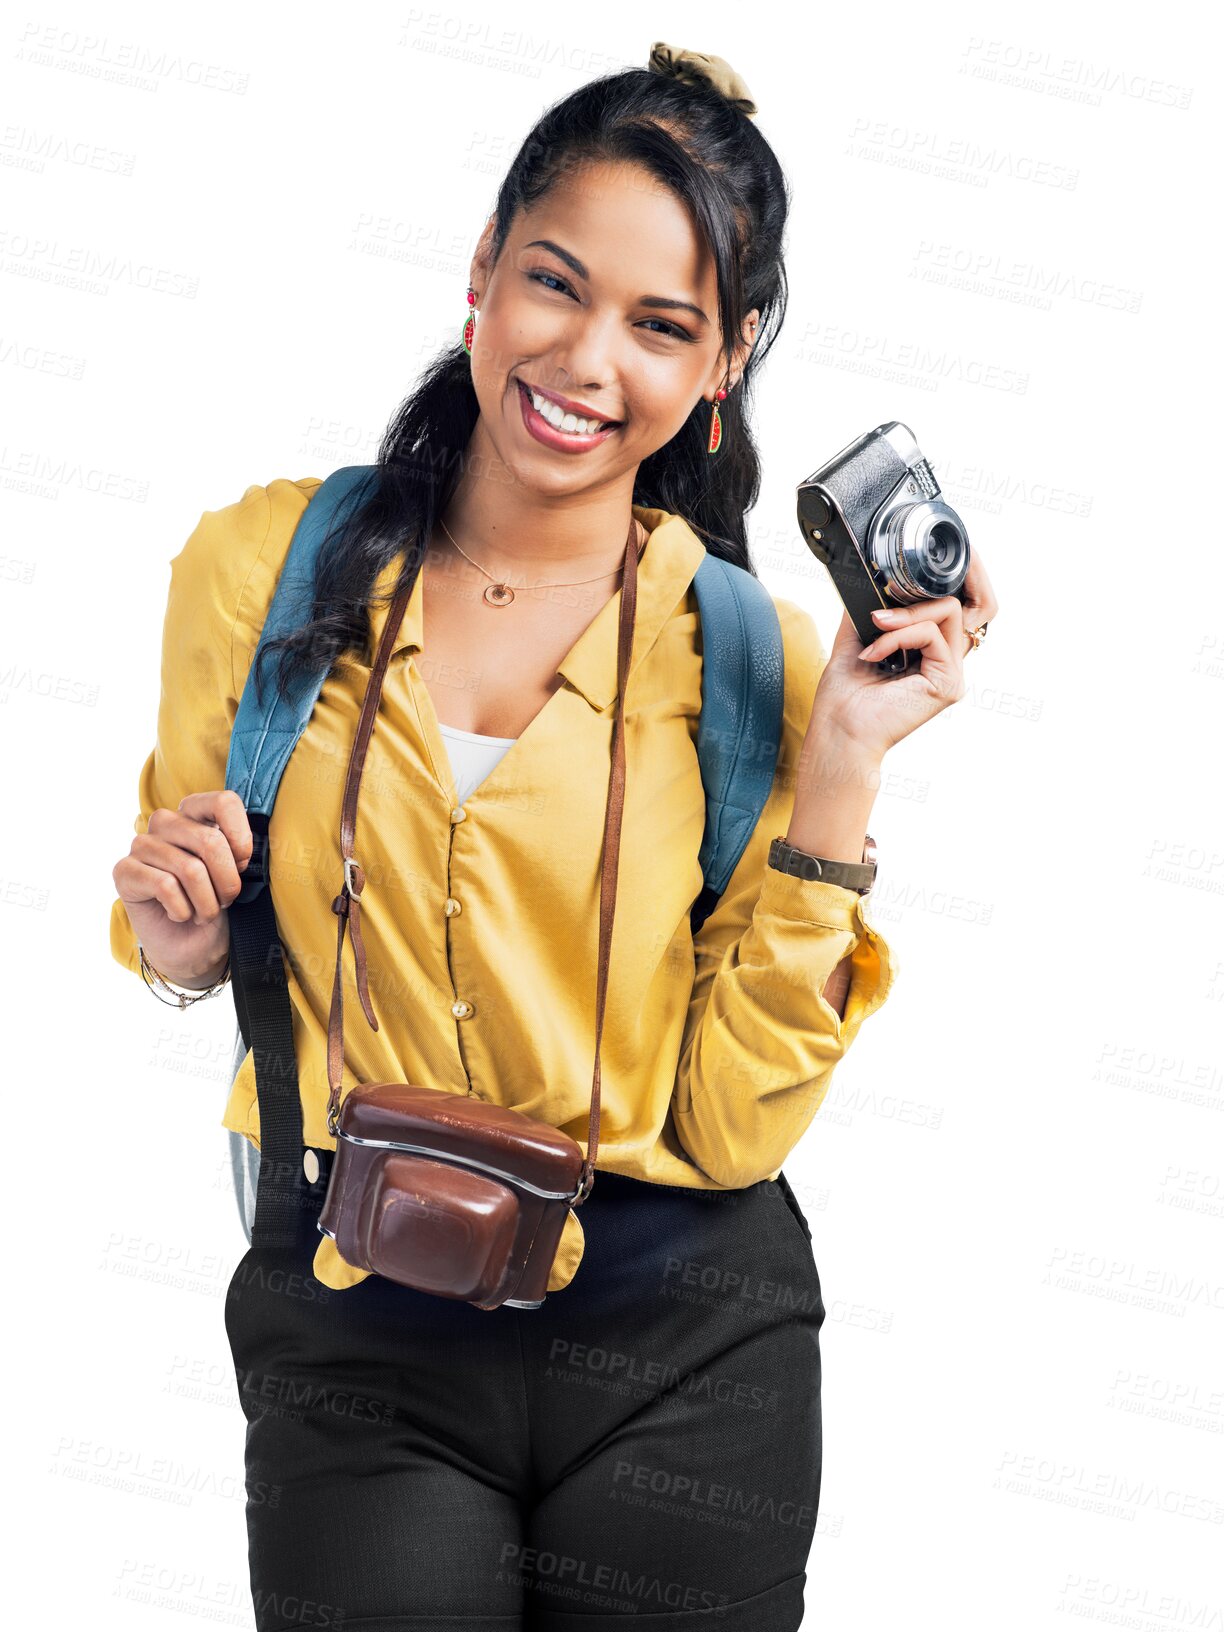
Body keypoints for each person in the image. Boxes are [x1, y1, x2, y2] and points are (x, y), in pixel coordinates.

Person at [109, 43, 997, 1632]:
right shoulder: (260, 569)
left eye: (662, 327)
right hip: (357, 1315)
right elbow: (192, 904)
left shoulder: (756, 659)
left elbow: (730, 1130)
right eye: (556, 284)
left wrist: (845, 762)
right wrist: (180, 944)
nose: (588, 361)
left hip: (688, 1335)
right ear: (481, 272)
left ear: (718, 370)